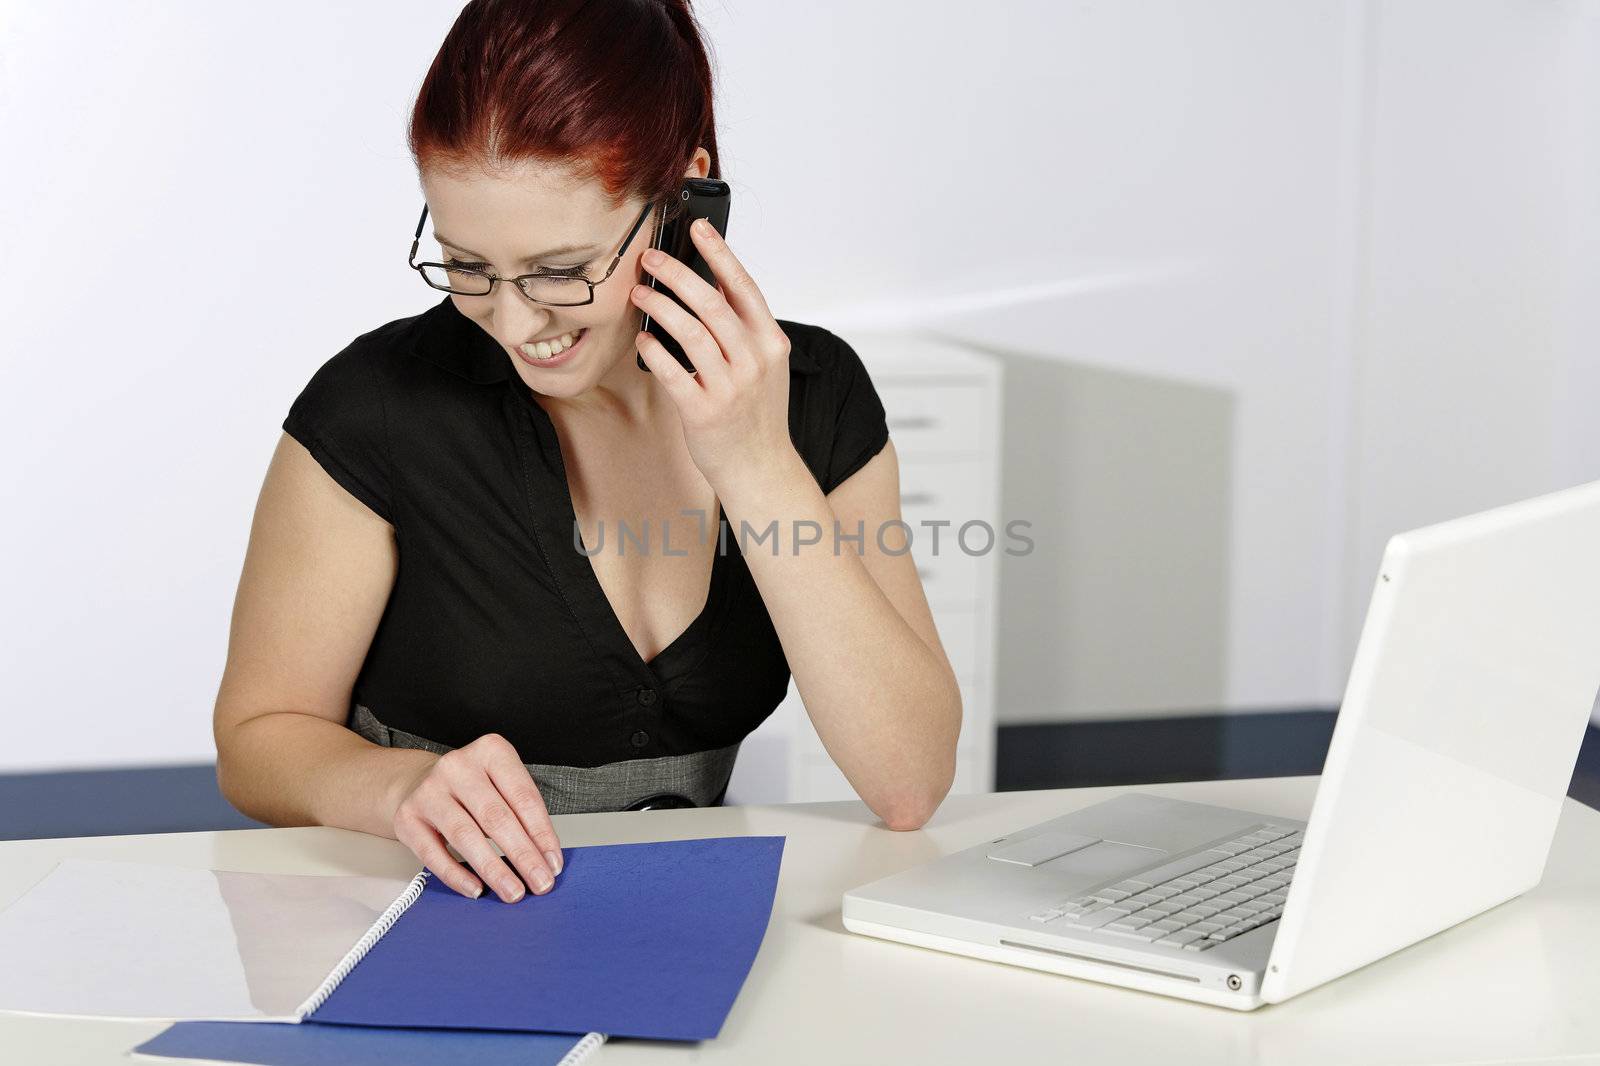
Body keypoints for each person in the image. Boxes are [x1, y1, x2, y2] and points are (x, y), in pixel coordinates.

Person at [212, 0, 960, 905]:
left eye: (562, 270)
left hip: (677, 930)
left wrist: (755, 460)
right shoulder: (378, 406)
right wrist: (394, 787)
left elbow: (909, 783)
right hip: (406, 925)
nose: (516, 324)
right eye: (468, 267)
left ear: (684, 198)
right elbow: (258, 737)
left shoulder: (815, 395)